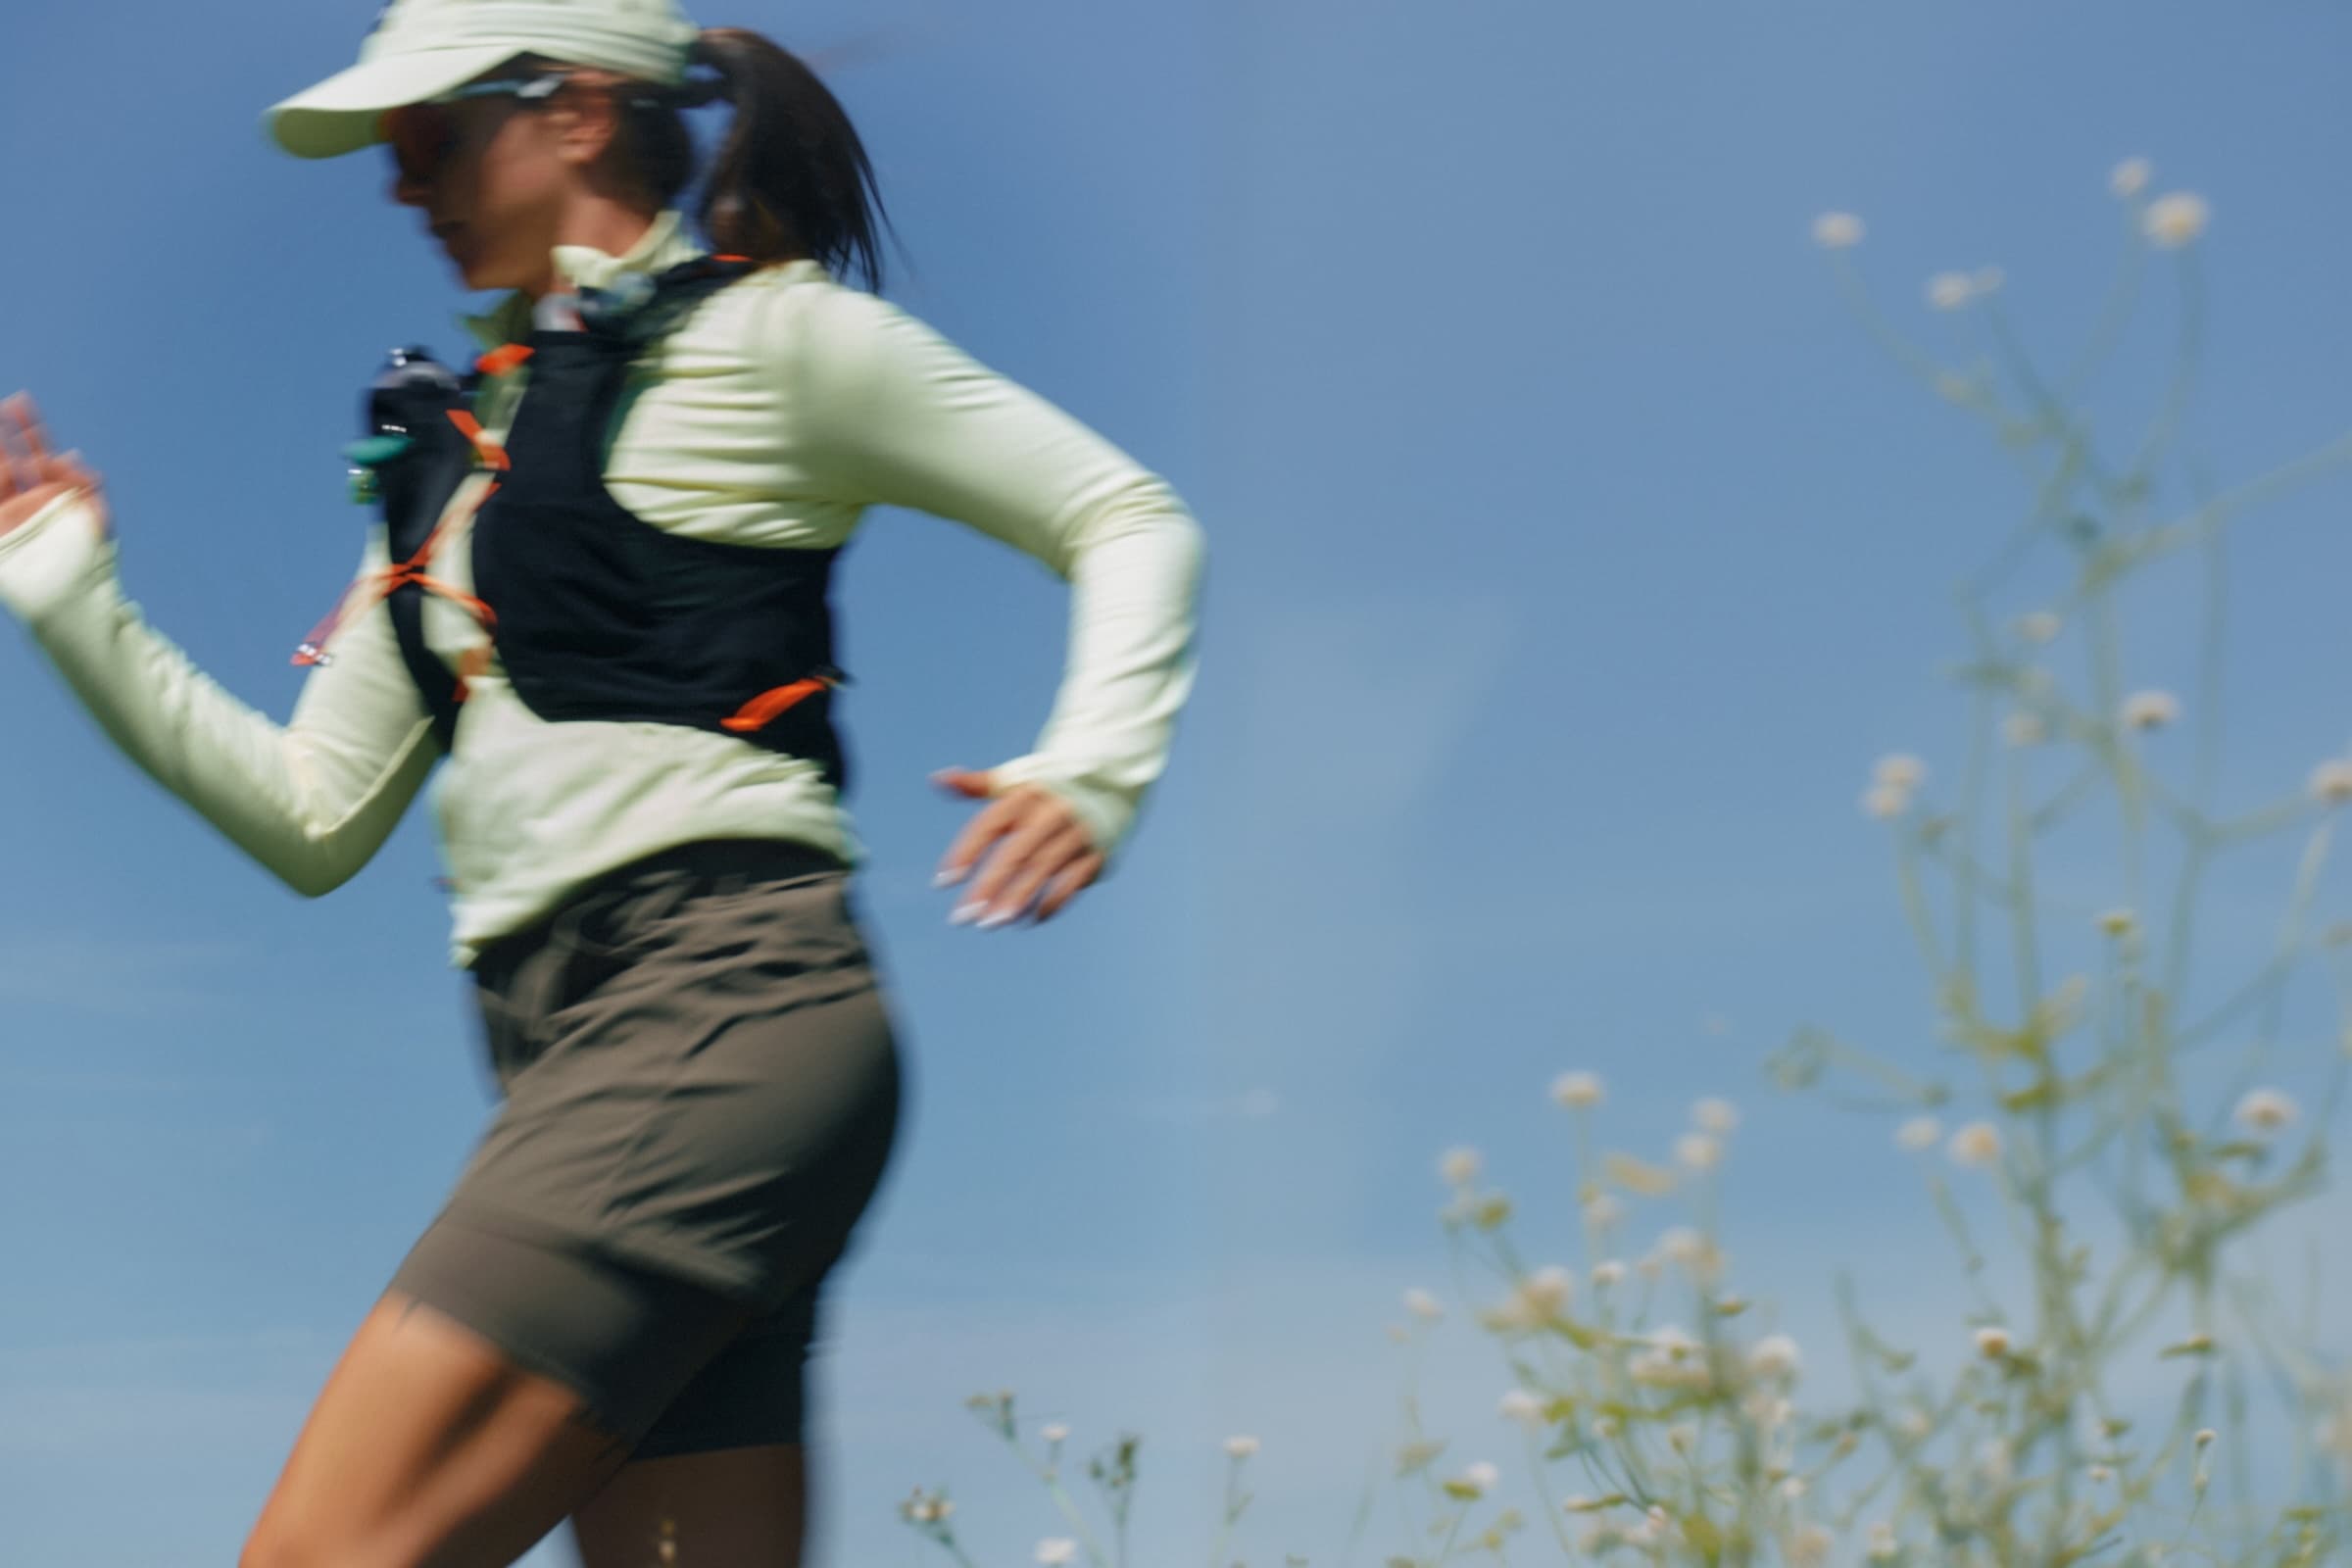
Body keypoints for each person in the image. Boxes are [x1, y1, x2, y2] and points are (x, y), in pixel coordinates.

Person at [0, 0, 1204, 1561]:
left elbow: (1123, 516)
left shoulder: (773, 340)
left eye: (427, 135)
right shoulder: (445, 468)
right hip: (571, 1051)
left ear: (574, 113)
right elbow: (308, 821)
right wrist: (67, 599)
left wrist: (1093, 768)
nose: (397, 184)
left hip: (712, 1015)